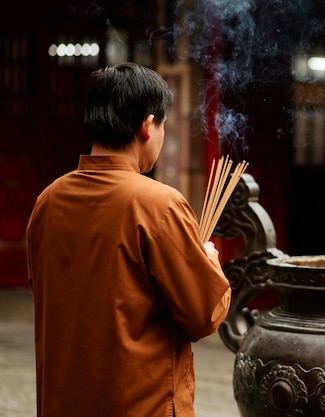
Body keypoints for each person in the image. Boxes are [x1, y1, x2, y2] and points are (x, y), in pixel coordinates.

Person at [26, 62, 232, 417]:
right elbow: (202, 315)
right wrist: (210, 264)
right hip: (140, 405)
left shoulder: (48, 201)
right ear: (148, 126)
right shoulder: (158, 204)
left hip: (64, 403)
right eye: (163, 124)